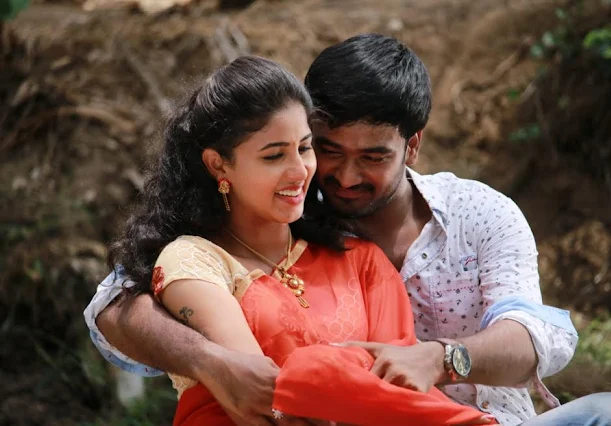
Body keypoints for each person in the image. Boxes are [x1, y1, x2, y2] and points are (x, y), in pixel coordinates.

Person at [85, 35, 611, 425]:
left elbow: (537, 335)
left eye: (373, 156)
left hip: (475, 419)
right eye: (326, 149)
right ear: (219, 165)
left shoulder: (476, 216)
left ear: (412, 145)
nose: (342, 176)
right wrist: (212, 362)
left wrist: (440, 358)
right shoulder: (249, 228)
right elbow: (115, 306)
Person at [99, 55, 495, 426]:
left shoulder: (361, 260)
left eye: (305, 148)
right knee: (308, 369)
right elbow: (261, 389)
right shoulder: (194, 259)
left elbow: (401, 385)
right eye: (274, 156)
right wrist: (334, 372)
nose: (299, 171)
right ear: (219, 165)